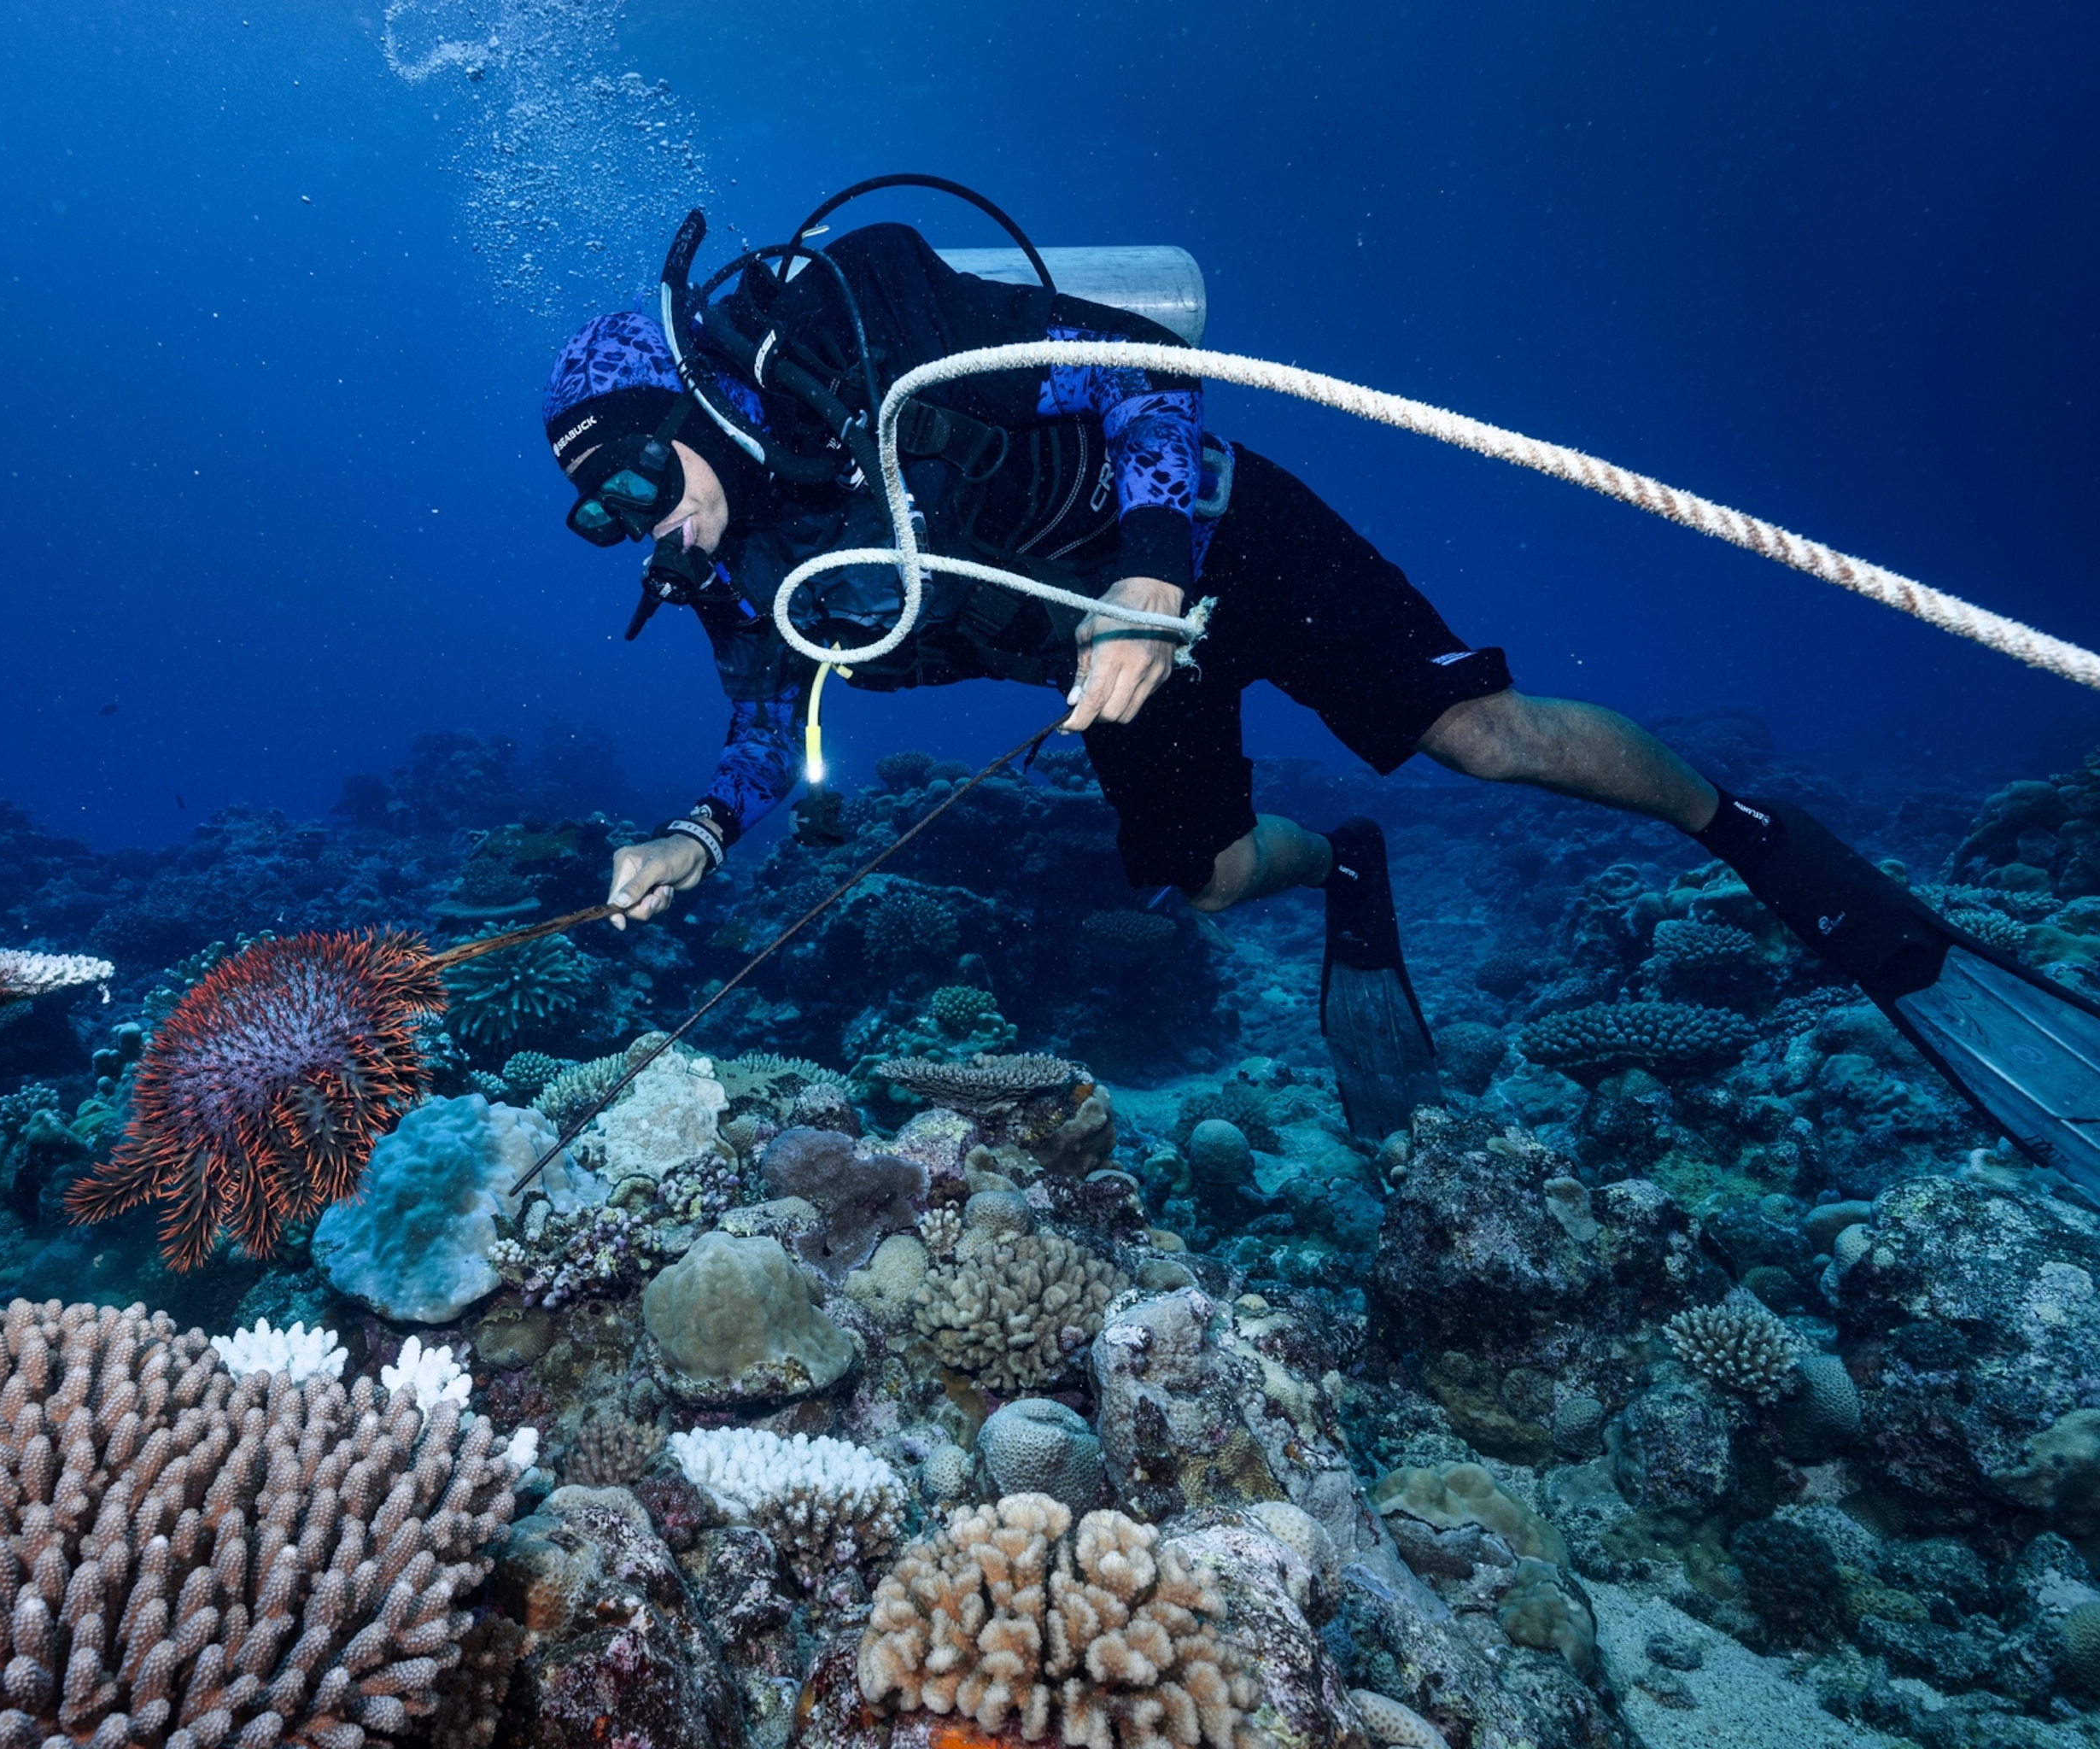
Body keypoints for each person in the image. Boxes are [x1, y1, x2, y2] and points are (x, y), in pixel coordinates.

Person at [541, 215, 2100, 1165]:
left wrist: (1149, 584)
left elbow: (1144, 369)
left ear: (670, 405)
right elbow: (761, 729)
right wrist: (692, 831)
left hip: (1226, 534)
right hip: (1103, 662)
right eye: (597, 519)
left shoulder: (869, 352)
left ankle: (1746, 831)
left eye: (627, 479)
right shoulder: (737, 568)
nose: (638, 524)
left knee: (1477, 737)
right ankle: (1349, 859)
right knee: (1207, 881)